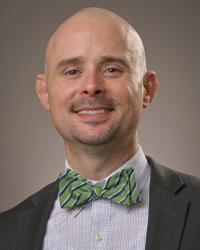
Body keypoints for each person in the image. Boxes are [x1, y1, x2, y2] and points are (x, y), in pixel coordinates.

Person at [0, 7, 200, 250]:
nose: (91, 86)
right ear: (44, 93)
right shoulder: (6, 232)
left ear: (147, 89)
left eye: (111, 69)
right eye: (72, 71)